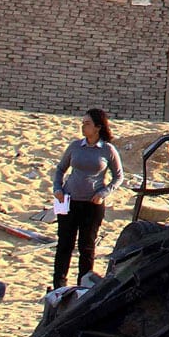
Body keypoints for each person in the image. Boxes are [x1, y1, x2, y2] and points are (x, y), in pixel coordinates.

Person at [50, 108, 123, 290]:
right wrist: (57, 188)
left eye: (87, 123)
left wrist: (103, 193)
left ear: (98, 127)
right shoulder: (75, 146)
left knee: (87, 247)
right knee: (64, 245)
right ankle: (59, 285)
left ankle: (83, 286)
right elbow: (60, 169)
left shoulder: (107, 150)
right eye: (82, 123)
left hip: (92, 204)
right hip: (68, 201)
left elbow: (119, 177)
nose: (83, 127)